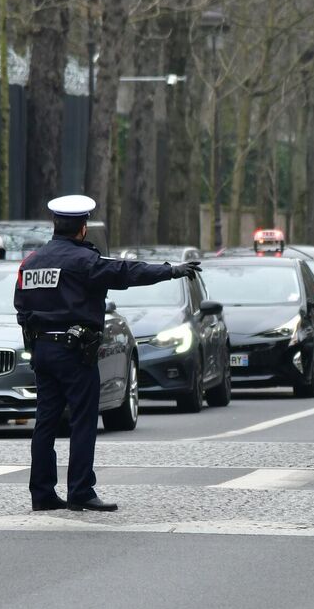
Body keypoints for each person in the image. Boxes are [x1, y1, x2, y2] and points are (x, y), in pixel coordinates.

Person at [14, 195, 199, 513]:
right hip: (74, 353)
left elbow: (21, 306)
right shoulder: (83, 261)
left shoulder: (31, 263)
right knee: (83, 421)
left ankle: (42, 493)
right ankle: (80, 491)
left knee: (45, 423)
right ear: (82, 228)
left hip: (42, 350)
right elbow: (127, 272)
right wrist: (171, 271)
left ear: (55, 225)